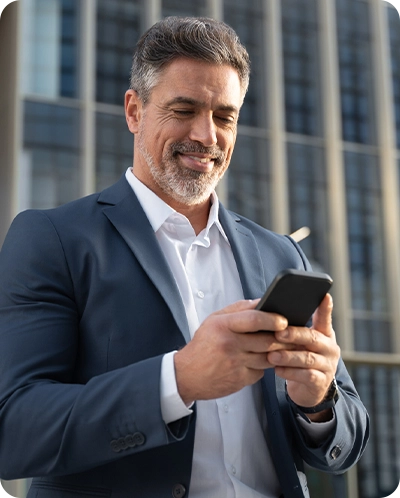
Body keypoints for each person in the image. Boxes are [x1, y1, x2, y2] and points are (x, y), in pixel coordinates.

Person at [0, 16, 368, 498]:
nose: (207, 136)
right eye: (184, 109)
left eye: (224, 116)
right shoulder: (52, 238)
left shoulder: (283, 253)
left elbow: (346, 440)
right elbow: (15, 430)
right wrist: (177, 380)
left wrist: (318, 401)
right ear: (134, 111)